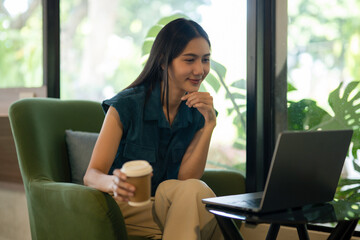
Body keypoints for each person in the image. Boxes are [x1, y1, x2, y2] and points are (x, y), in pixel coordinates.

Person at [83, 18, 223, 240]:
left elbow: (187, 179)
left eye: (205, 60)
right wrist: (114, 183)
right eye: (189, 60)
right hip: (128, 208)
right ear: (163, 61)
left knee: (195, 190)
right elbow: (91, 175)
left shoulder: (198, 112)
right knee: (212, 217)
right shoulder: (127, 105)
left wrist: (209, 125)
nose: (200, 70)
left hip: (173, 204)